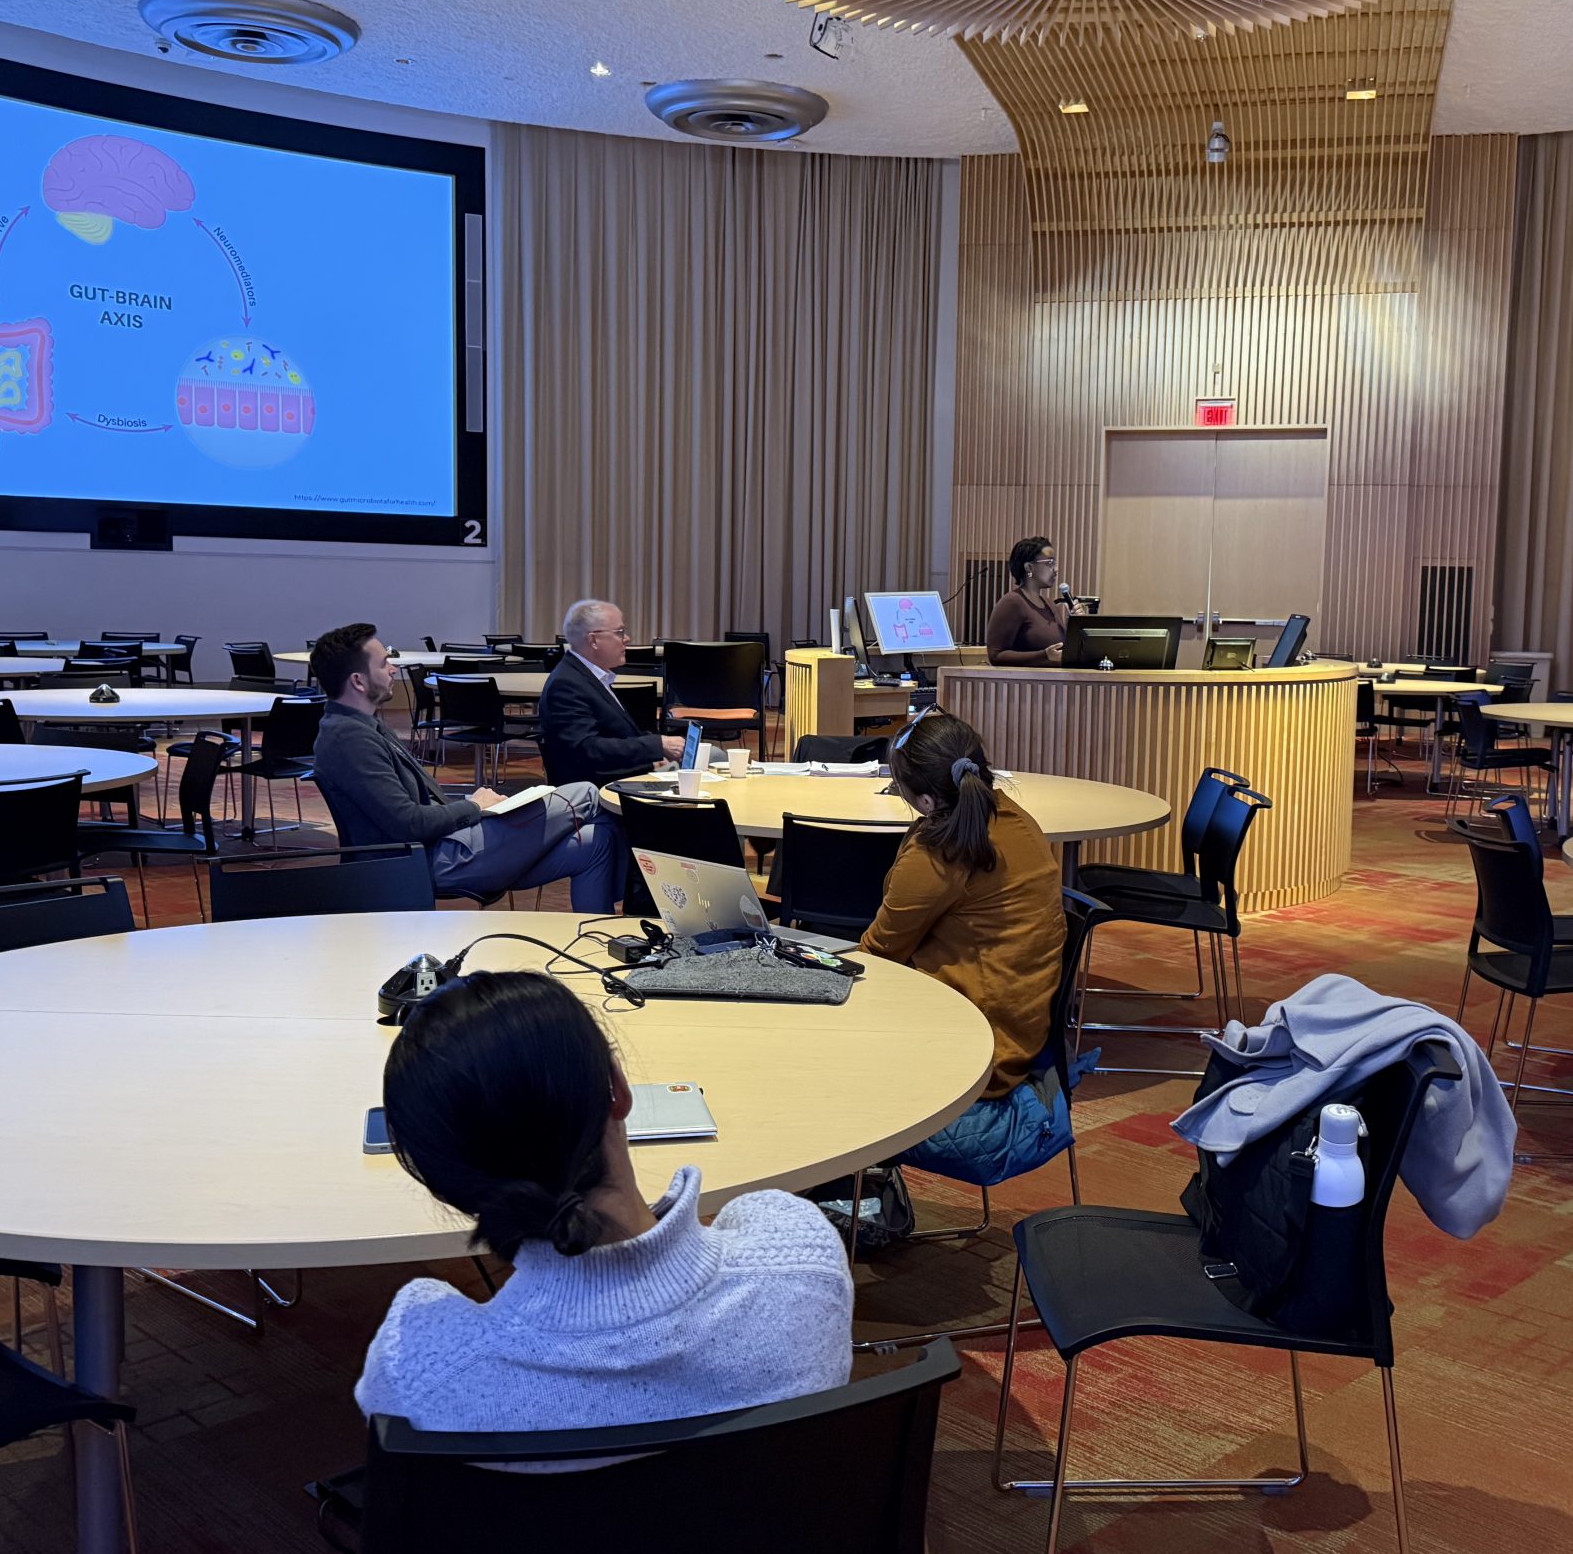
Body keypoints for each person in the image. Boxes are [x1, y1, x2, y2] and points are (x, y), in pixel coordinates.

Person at [356, 971, 853, 1433]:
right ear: (617, 1088)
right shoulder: (804, 1264)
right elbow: (761, 1218)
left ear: (439, 1177)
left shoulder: (417, 1374)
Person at [860, 712, 1075, 1185]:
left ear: (926, 799)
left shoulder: (941, 849)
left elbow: (879, 954)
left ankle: (847, 1202)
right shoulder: (1017, 821)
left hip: (974, 1053)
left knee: (809, 1060)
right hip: (1014, 1031)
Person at [310, 622, 624, 910]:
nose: (393, 669)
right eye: (383, 663)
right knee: (585, 793)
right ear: (358, 681)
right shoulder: (349, 739)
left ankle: (609, 946)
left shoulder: (359, 726)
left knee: (596, 841)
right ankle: (645, 897)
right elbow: (408, 824)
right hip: (428, 859)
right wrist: (473, 807)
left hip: (443, 848)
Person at [540, 598, 685, 784]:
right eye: (620, 632)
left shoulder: (588, 676)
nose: (627, 639)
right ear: (593, 640)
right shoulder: (566, 684)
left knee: (710, 758)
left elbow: (616, 736)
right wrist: (656, 747)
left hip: (621, 776)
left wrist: (655, 752)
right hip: (601, 792)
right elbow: (587, 749)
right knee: (712, 760)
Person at [985, 535, 1069, 666]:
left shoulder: (1050, 605)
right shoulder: (1012, 603)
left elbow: (1062, 651)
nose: (1056, 569)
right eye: (1049, 563)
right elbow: (996, 655)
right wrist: (1044, 655)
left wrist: (1076, 623)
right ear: (1029, 568)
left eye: (1055, 563)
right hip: (1024, 685)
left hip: (1054, 683)